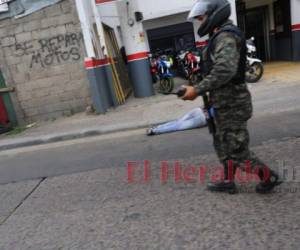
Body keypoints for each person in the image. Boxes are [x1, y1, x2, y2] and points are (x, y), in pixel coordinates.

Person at [181, 0, 281, 193]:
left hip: (233, 104)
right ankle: (228, 180)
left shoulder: (226, 36)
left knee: (237, 149)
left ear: (215, 14)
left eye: (201, 18)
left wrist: (197, 90)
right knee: (222, 142)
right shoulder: (218, 34)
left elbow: (224, 70)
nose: (200, 23)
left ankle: (268, 177)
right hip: (222, 102)